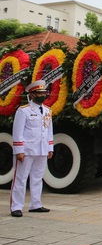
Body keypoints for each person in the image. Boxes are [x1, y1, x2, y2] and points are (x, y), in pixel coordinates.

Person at [10, 80, 54, 217]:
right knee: (21, 178)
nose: (43, 95)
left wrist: (50, 147)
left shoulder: (47, 110)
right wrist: (19, 150)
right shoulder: (24, 110)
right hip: (27, 150)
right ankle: (16, 207)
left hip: (41, 149)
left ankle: (36, 204)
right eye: (39, 93)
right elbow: (18, 131)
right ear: (33, 95)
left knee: (37, 177)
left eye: (44, 93)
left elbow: (49, 130)